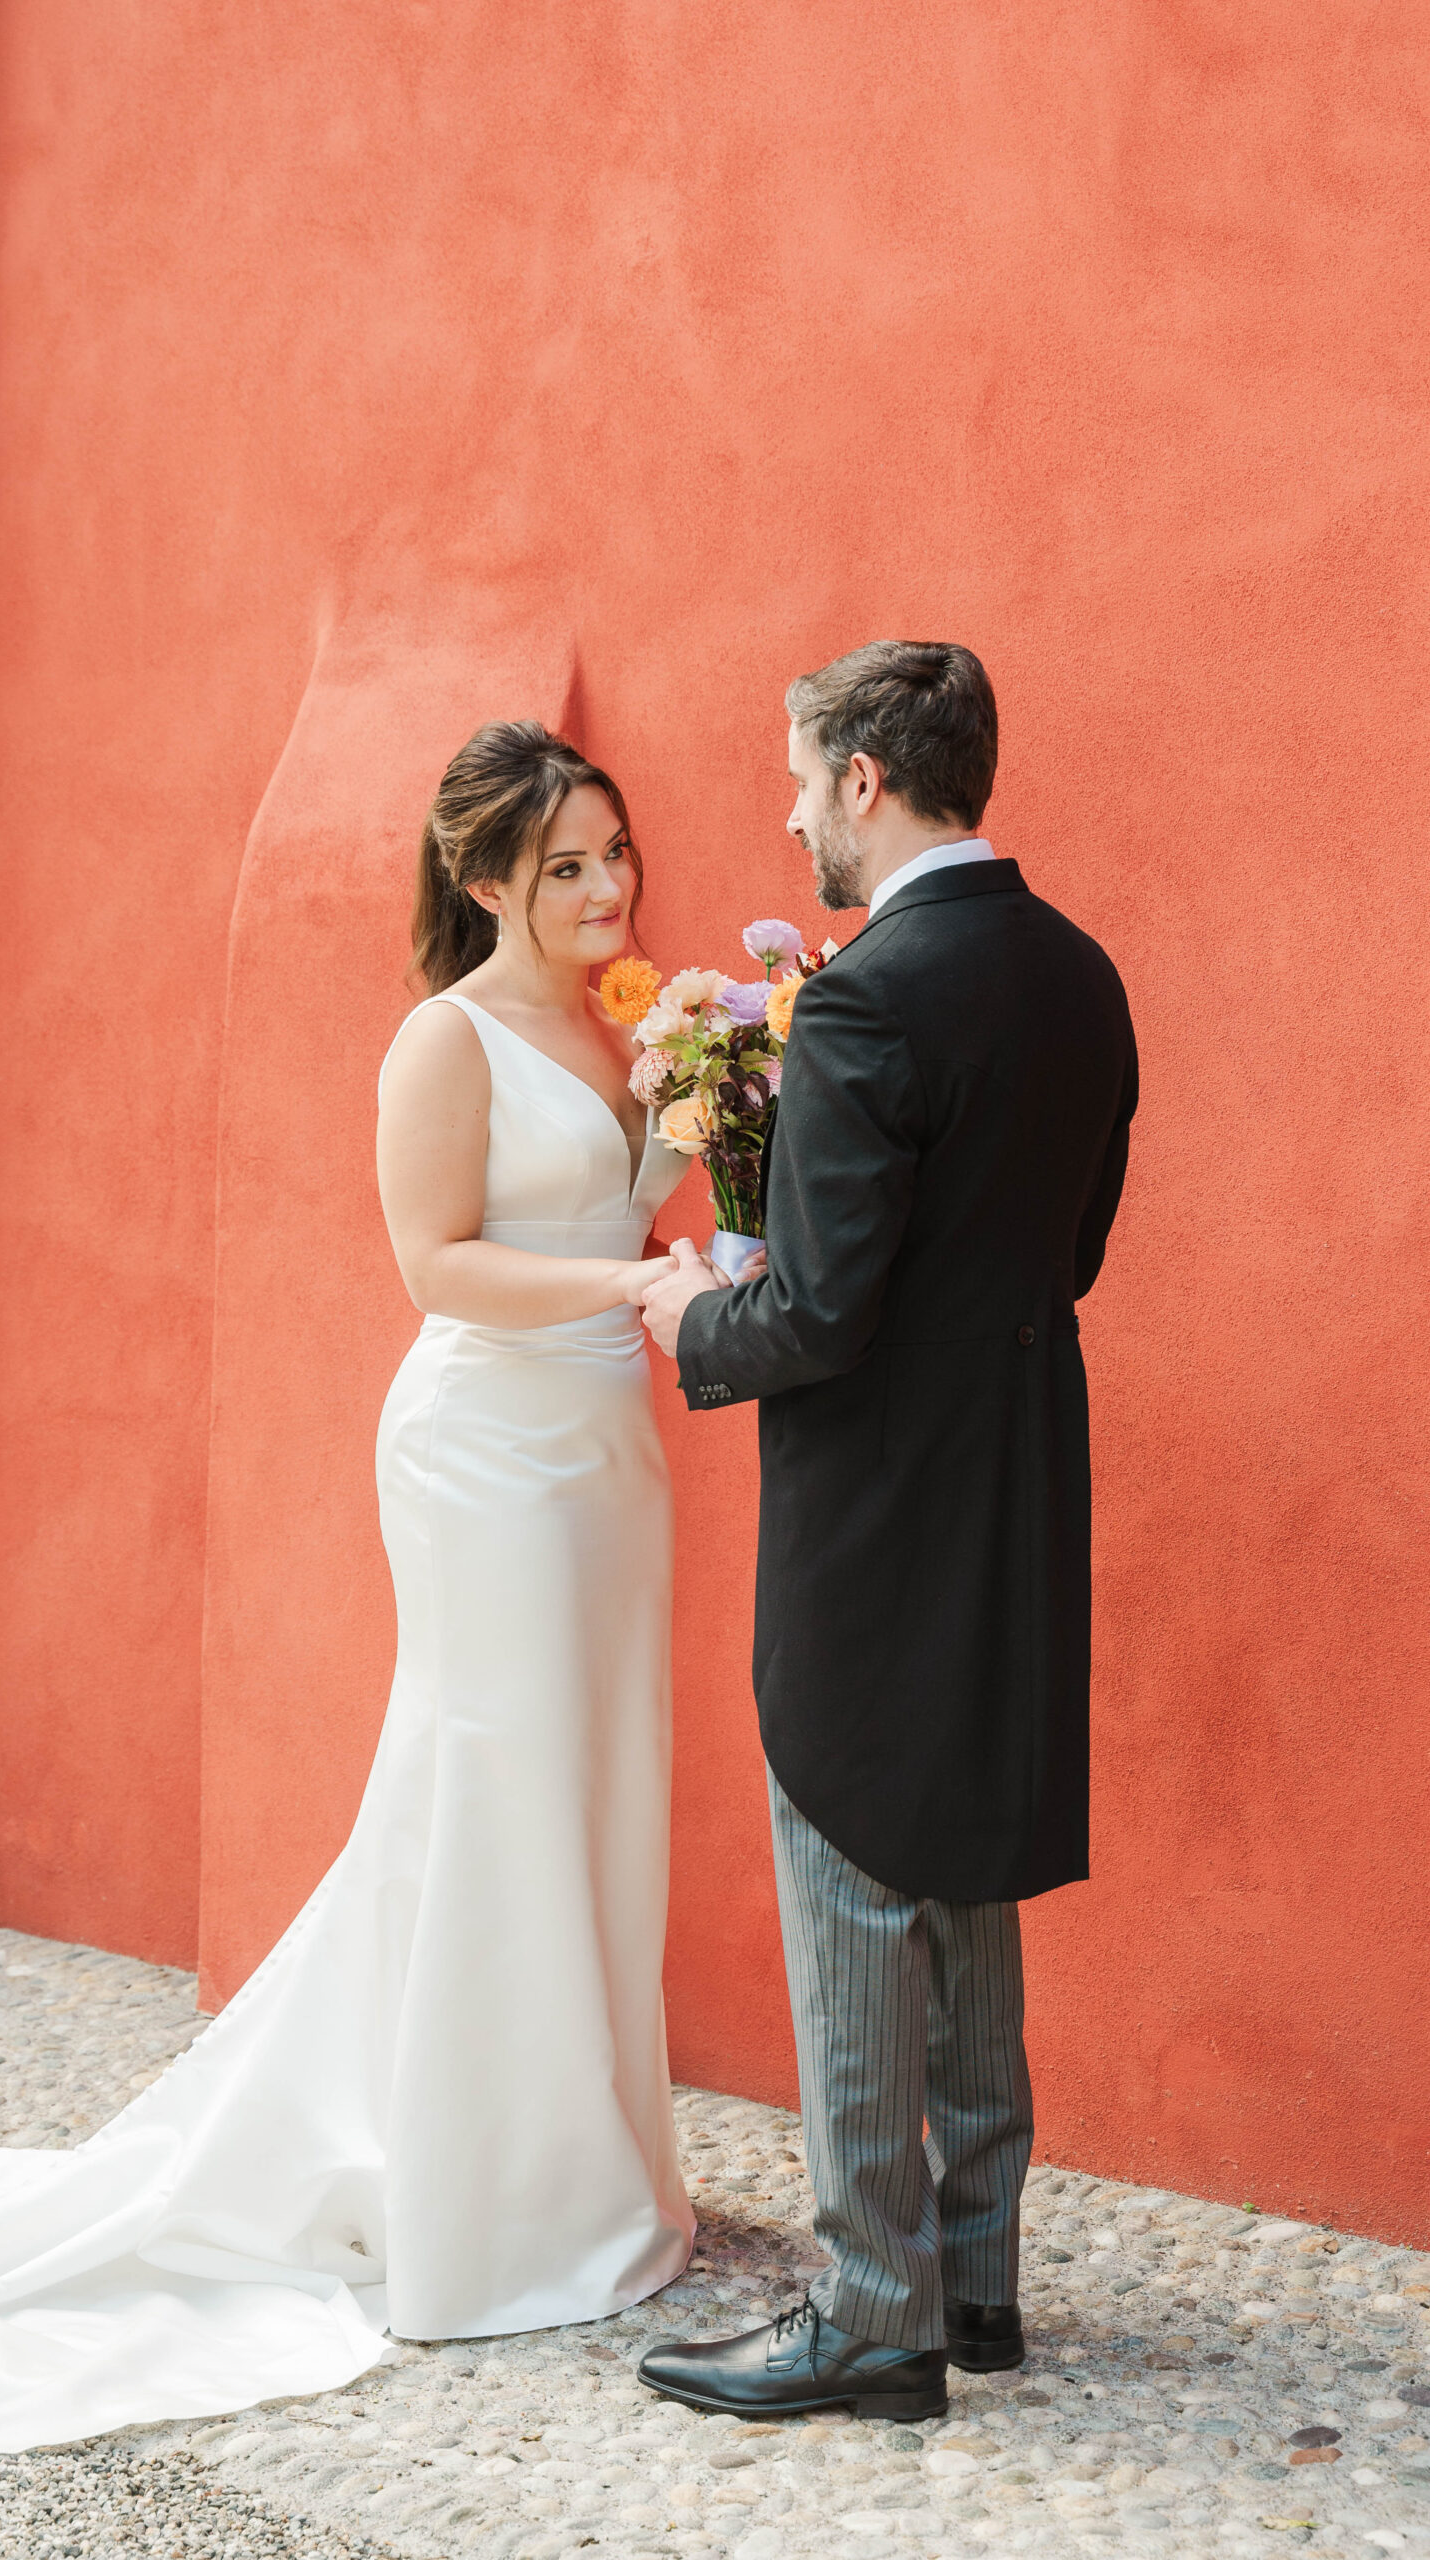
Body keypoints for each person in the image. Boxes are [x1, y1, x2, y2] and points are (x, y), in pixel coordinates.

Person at [0, 721, 694, 2458]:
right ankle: (492, 2199)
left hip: (613, 1456)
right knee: (492, 1784)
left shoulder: (629, 1028)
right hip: (489, 1457)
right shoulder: (446, 1037)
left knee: (594, 1784)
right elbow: (438, 1265)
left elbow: (633, 1208)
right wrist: (635, 1281)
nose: (608, 886)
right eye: (567, 863)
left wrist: (714, 1137)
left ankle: (587, 2154)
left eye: (616, 852)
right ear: (485, 879)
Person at [636, 642, 1137, 2424]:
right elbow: (1064, 1254)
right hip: (1017, 1479)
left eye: (796, 778)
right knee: (962, 1863)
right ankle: (976, 2284)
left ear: (865, 780)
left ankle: (869, 2311)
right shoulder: (1079, 976)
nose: (786, 812)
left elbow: (821, 1320)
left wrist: (695, 1309)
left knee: (852, 1859)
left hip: (870, 1515)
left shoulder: (864, 1000)